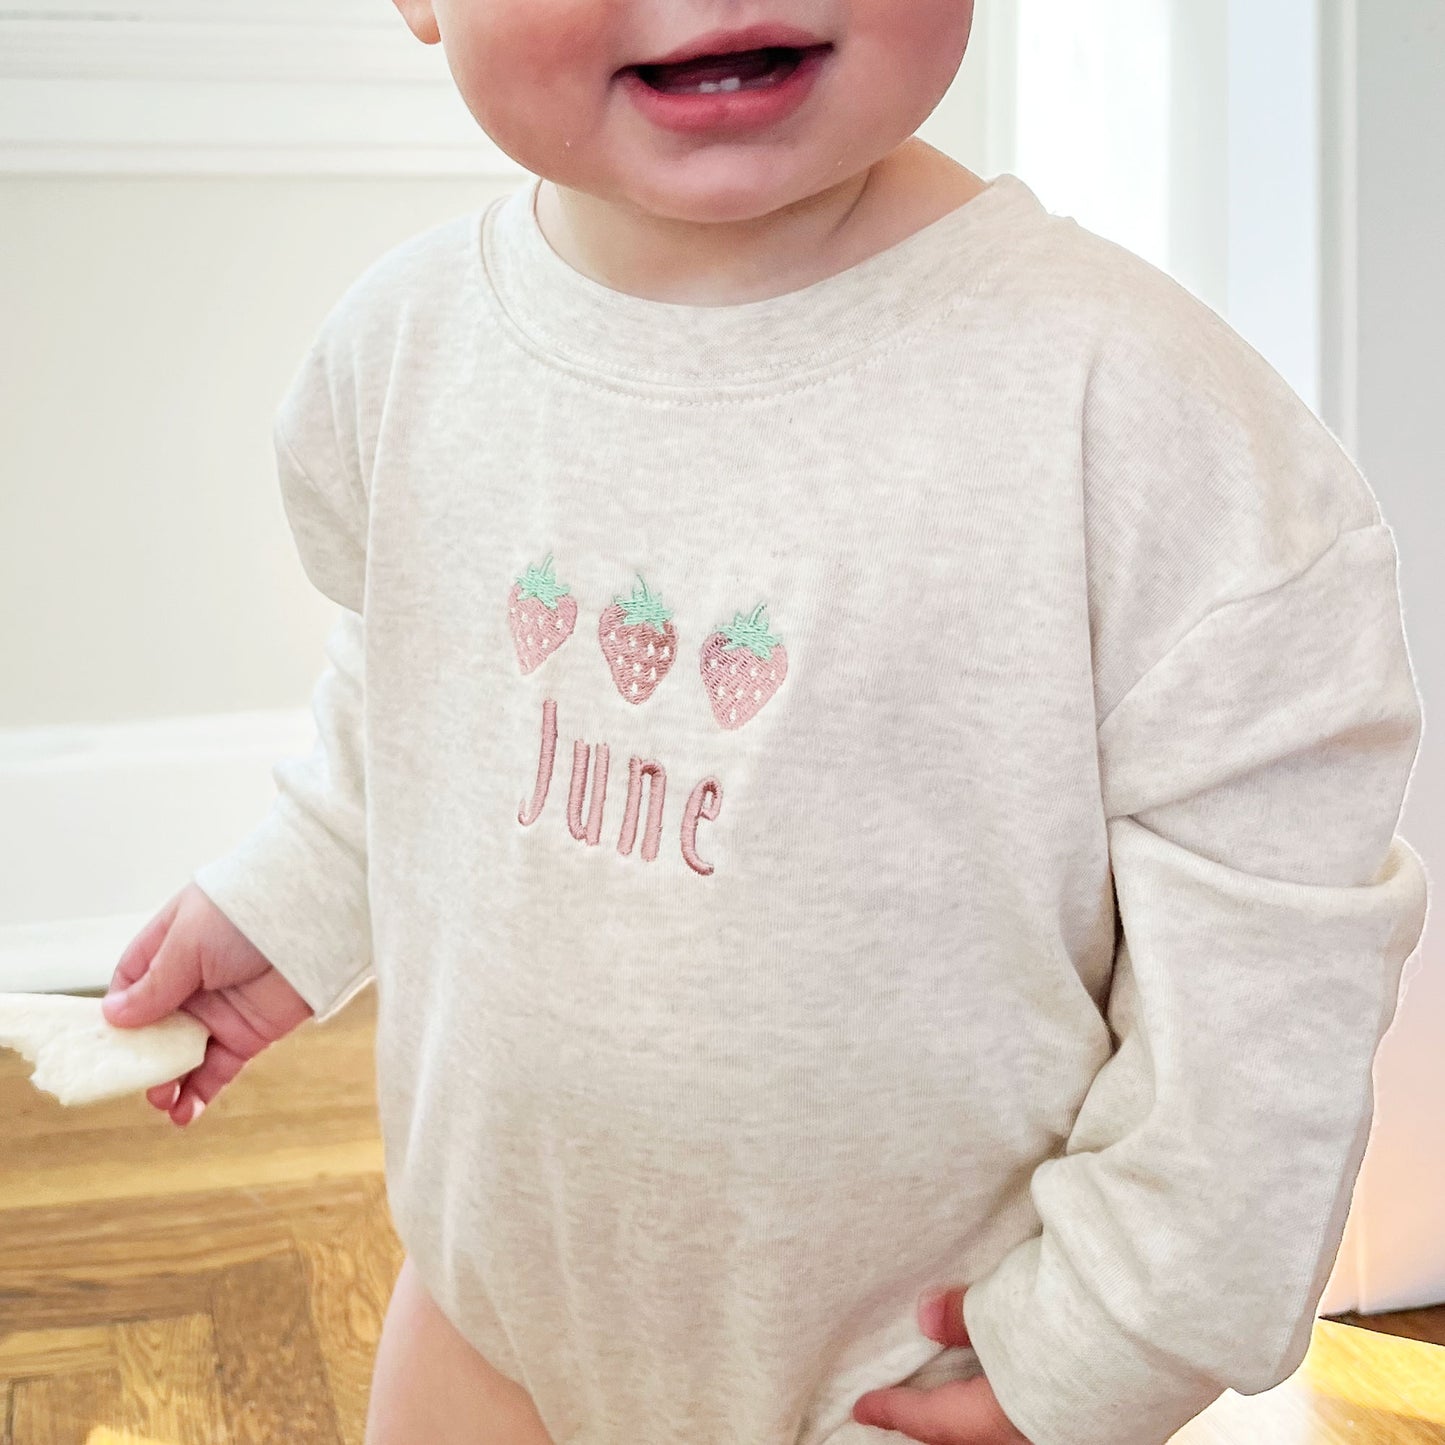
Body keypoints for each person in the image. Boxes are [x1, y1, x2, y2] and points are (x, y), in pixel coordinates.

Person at [100, 1, 1430, 1442]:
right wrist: (290, 897)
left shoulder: (1144, 418)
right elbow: (417, 696)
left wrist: (1117, 1334)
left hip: (916, 1377)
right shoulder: (398, 352)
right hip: (496, 1325)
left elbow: (1269, 969)